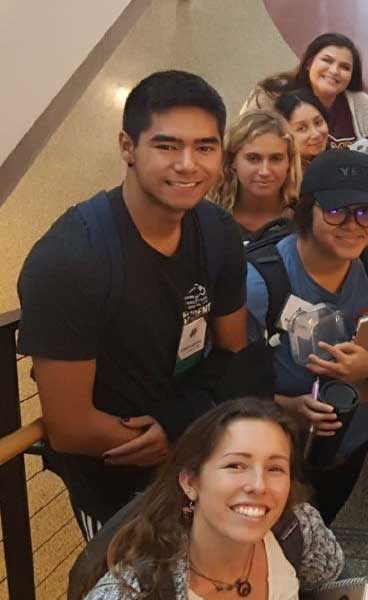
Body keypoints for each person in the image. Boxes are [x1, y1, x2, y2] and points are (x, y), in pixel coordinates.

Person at [16, 70, 264, 538]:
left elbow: (238, 354)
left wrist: (180, 428)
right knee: (126, 599)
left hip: (194, 457)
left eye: (205, 147)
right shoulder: (72, 259)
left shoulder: (216, 230)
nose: (188, 164)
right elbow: (70, 427)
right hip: (114, 485)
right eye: (167, 146)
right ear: (128, 147)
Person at [61, 398, 345, 600]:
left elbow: (330, 581)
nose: (259, 485)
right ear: (190, 482)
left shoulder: (298, 529)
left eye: (275, 468)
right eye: (236, 465)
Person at [246, 149, 368, 523]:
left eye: (367, 212)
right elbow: (222, 382)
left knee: (318, 533)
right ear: (307, 210)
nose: (353, 225)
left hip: (349, 447)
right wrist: (285, 406)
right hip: (271, 452)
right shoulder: (262, 282)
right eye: (336, 211)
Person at [242, 32, 368, 150]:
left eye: (344, 67)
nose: (334, 71)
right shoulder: (270, 96)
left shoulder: (361, 104)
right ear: (309, 63)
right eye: (327, 61)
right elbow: (244, 145)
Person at [209, 110, 301, 242]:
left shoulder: (306, 219)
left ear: (289, 162)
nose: (265, 171)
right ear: (232, 161)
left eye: (276, 159)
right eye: (253, 158)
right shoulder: (207, 219)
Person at [274, 89, 330, 169]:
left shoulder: (340, 162)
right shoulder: (280, 175)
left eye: (318, 122)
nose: (316, 134)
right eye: (302, 128)